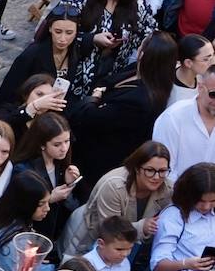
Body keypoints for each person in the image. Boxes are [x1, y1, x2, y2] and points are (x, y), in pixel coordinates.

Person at [71, 31, 176, 188]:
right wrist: (99, 95)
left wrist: (95, 97)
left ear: (144, 54)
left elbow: (91, 117)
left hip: (100, 158)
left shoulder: (141, 100)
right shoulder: (137, 71)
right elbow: (107, 81)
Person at [54, 0, 157, 96]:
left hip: (111, 76)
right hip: (76, 72)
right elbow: (58, 32)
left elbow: (149, 31)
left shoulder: (138, 2)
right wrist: (92, 39)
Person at [80, 140, 172, 267]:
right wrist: (141, 227)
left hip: (133, 248)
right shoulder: (113, 186)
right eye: (150, 170)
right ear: (136, 168)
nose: (157, 177)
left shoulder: (168, 189)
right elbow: (108, 230)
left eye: (162, 171)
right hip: (95, 245)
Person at [12, 110, 81, 246]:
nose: (64, 148)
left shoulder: (62, 164)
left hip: (51, 238)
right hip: (27, 238)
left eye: (66, 141)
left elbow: (72, 207)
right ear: (42, 144)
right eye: (57, 144)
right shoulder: (24, 169)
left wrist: (69, 185)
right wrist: (49, 199)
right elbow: (17, 209)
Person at [0, 5, 85, 107]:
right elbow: (8, 93)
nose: (62, 38)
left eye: (69, 33)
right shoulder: (31, 55)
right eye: (58, 32)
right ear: (50, 28)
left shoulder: (76, 51)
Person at [0, 168, 54, 269]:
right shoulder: (13, 243)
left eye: (48, 202)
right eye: (41, 204)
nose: (47, 208)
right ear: (25, 203)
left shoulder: (1, 211)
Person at [156, 66, 215, 178]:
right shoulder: (173, 118)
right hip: (178, 193)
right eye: (213, 94)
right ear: (200, 88)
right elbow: (163, 169)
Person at [171, 33, 213, 105]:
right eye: (206, 59)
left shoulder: (200, 74)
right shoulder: (178, 99)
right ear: (188, 63)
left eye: (213, 55)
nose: (212, 62)